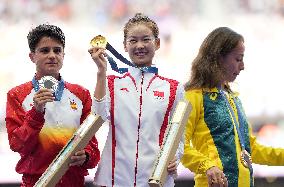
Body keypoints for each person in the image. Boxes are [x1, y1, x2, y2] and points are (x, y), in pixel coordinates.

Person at [88, 13, 184, 187]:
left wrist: (175, 157)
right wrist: (101, 73)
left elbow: (180, 135)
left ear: (158, 43)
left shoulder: (174, 88)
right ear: (125, 46)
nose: (139, 45)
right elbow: (97, 117)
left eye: (146, 39)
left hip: (156, 179)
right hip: (114, 179)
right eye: (133, 40)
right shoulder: (111, 83)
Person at [181, 27, 284, 187]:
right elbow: (179, 145)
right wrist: (207, 166)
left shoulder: (233, 98)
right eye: (238, 59)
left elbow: (251, 151)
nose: (242, 66)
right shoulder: (192, 96)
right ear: (218, 57)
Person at [5, 24, 100, 187]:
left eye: (57, 50)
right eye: (44, 50)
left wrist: (86, 156)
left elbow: (91, 145)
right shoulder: (17, 95)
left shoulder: (81, 94)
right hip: (35, 182)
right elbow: (17, 145)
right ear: (32, 56)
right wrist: (36, 112)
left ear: (64, 54)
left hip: (74, 182)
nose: (52, 56)